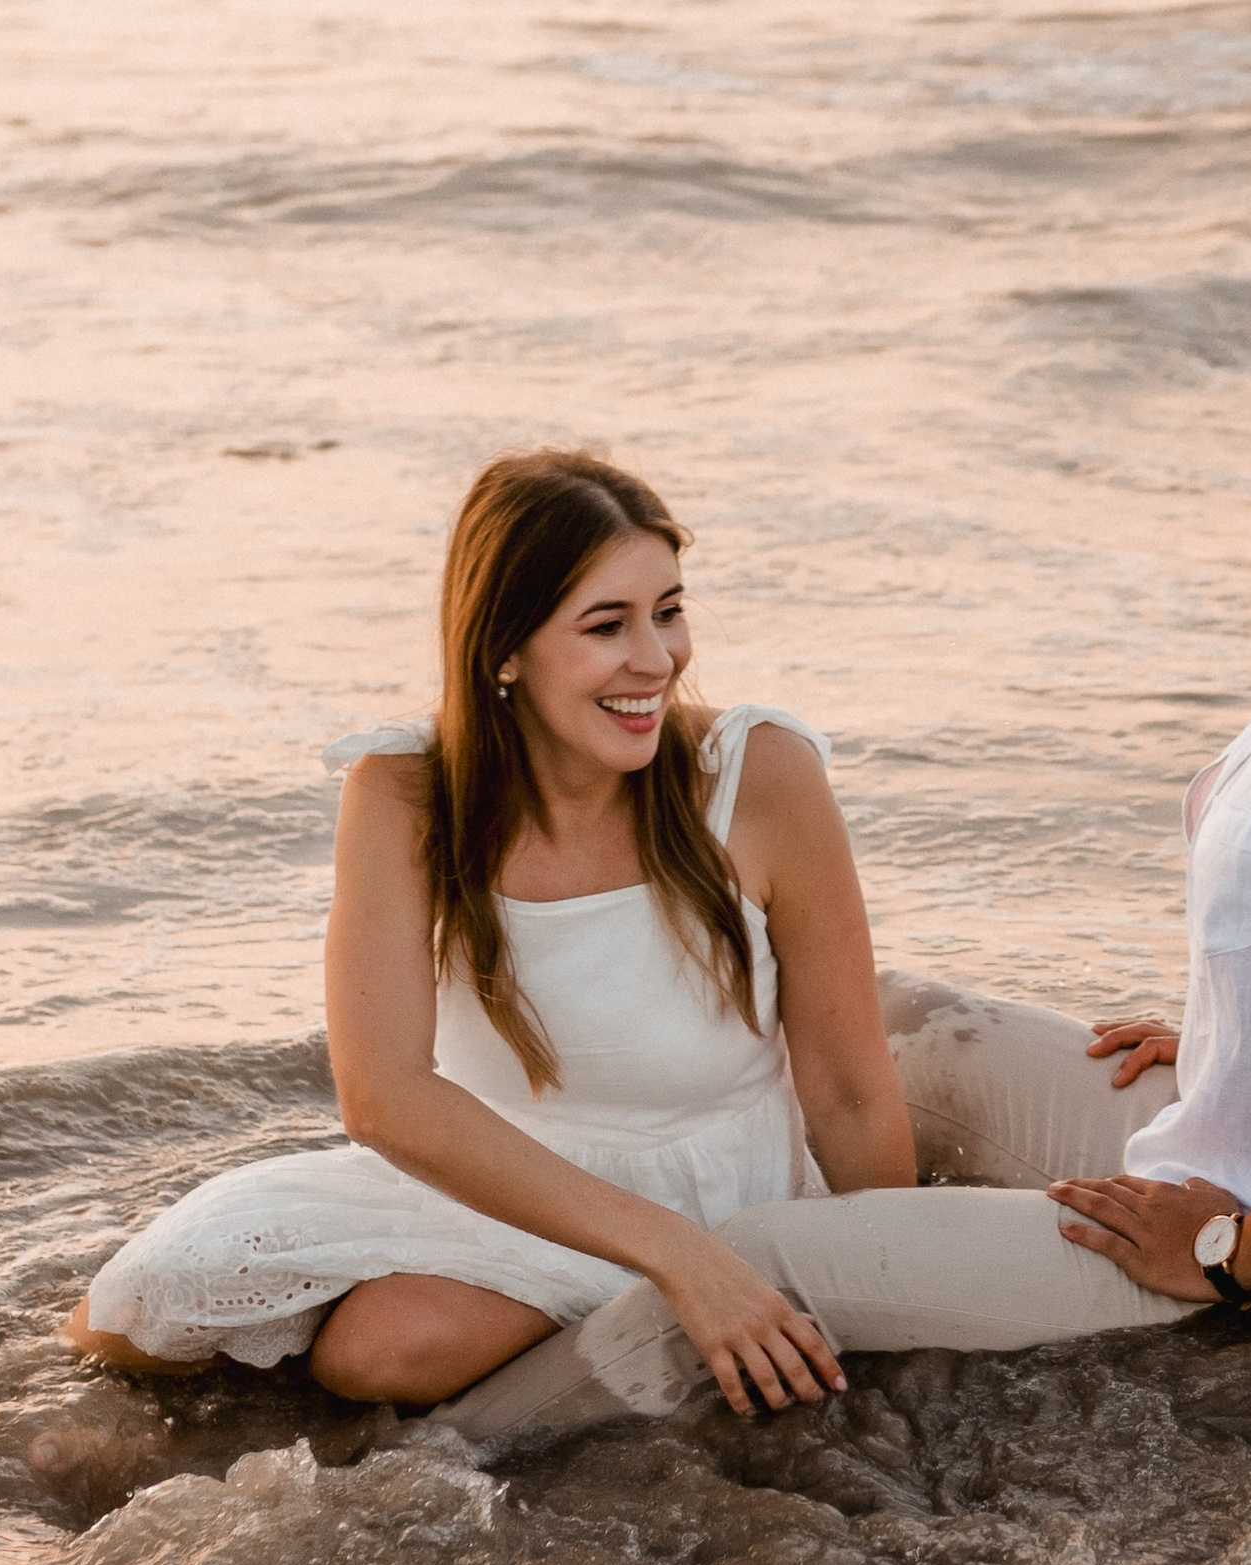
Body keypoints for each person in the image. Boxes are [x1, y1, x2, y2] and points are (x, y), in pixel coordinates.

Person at [438, 294, 1251, 1446]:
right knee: (894, 1028)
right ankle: (613, 1253)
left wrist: (1226, 1260)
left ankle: (442, 1456)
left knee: (765, 1260)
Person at [67, 450, 917, 1419]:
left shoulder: (757, 771)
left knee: (382, 1351)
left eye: (668, 610)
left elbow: (847, 1089)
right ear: (504, 648)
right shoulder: (404, 789)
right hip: (495, 1175)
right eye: (607, 625)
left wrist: (894, 1293)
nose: (657, 659)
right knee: (136, 1307)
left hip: (711, 1186)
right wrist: (667, 1253)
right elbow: (383, 1094)